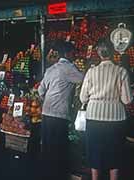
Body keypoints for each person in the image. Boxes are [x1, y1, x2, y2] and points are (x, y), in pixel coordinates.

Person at [80, 38, 133, 180]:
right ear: (113, 51)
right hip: (115, 119)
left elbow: (83, 98)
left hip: (94, 116)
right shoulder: (121, 72)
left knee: (95, 152)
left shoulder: (91, 72)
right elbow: (127, 99)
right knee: (114, 153)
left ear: (98, 53)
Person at [38, 40, 84, 180]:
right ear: (68, 54)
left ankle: (45, 174)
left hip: (46, 112)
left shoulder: (51, 69)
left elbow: (40, 90)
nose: (74, 55)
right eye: (73, 53)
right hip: (59, 114)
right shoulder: (69, 67)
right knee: (59, 148)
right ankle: (57, 175)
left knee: (47, 147)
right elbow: (84, 80)